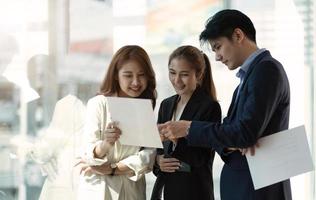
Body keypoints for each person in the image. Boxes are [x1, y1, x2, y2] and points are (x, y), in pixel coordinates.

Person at [158, 9, 292, 200]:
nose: (217, 57)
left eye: (218, 47)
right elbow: (231, 132)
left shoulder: (266, 70)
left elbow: (243, 133)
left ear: (238, 35)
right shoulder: (246, 80)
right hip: (247, 186)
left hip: (258, 189)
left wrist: (188, 128)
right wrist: (232, 141)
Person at [76, 45, 157, 200]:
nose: (135, 82)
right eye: (128, 75)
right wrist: (106, 144)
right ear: (115, 75)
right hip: (99, 190)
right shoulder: (99, 104)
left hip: (132, 191)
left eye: (141, 75)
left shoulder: (144, 106)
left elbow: (149, 155)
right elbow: (87, 152)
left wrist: (113, 169)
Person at [151, 45, 221, 200]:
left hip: (194, 191)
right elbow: (158, 150)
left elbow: (202, 158)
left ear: (199, 74)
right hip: (164, 190)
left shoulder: (209, 107)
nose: (176, 80)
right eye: (172, 73)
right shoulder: (166, 105)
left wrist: (175, 140)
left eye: (184, 75)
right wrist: (158, 160)